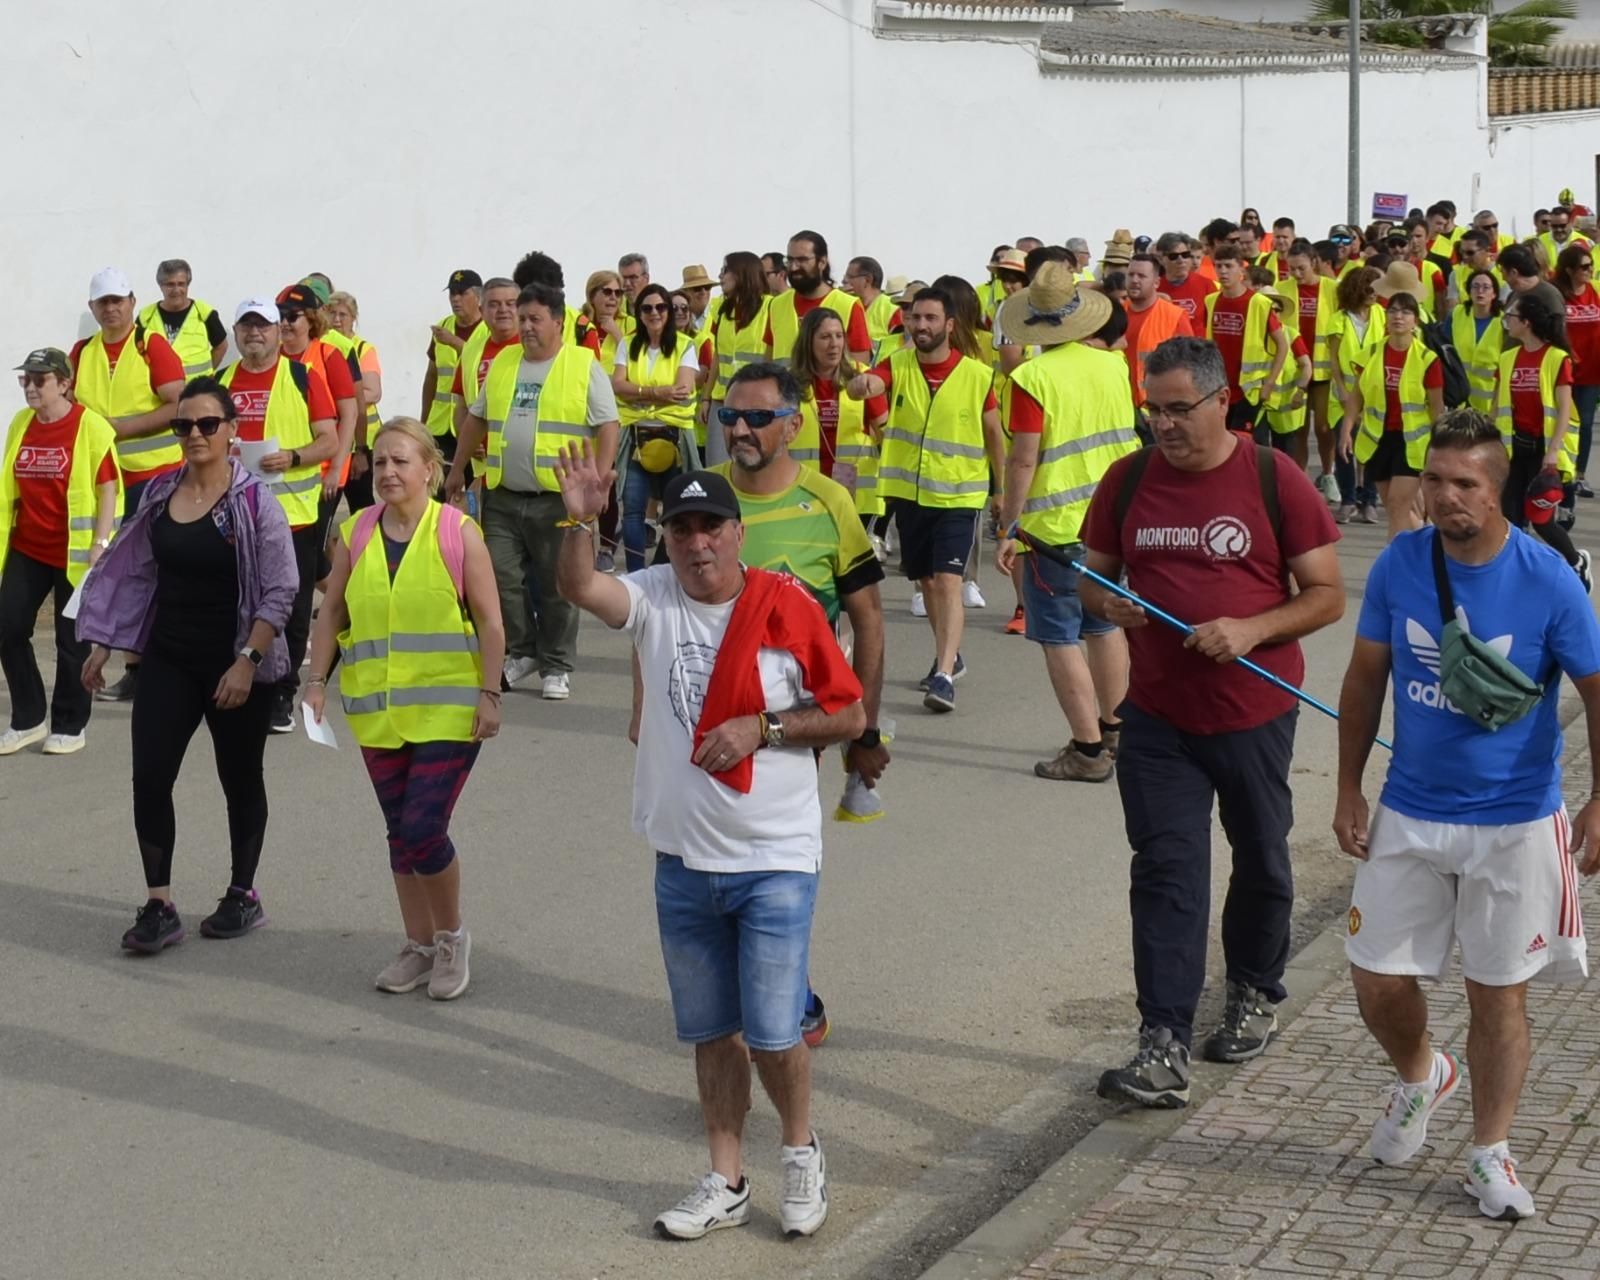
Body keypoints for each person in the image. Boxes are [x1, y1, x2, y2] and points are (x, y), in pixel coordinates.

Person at [555, 457, 863, 1242]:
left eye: (710, 528)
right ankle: (725, 1177)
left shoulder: (785, 605)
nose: (696, 544)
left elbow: (849, 715)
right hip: (683, 859)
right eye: (681, 529)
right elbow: (581, 589)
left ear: (737, 533)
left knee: (771, 1032)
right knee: (710, 1032)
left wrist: (763, 728)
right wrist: (580, 520)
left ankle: (800, 1153)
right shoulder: (653, 596)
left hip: (775, 858)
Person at [1334, 407, 1600, 1222]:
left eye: (1464, 484)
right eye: (1434, 479)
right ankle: (1422, 1076)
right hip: (1411, 810)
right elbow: (1363, 678)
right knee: (1375, 978)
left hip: (1516, 821)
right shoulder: (1400, 563)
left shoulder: (1548, 579)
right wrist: (1348, 786)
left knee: (1499, 995)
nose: (1443, 497)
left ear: (1498, 494)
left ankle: (1490, 1151)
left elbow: (1596, 692)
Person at [1083, 336, 1344, 1108]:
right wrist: (1109, 604)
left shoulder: (1273, 476)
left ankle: (1254, 991)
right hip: (1158, 718)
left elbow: (1326, 593)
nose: (1162, 424)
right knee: (1166, 872)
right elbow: (1089, 582)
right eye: (1151, 410)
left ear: (1220, 400)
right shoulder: (1127, 480)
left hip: (1253, 712)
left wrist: (1251, 630)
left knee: (1261, 856)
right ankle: (1161, 1043)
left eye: (1177, 409)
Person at [77, 376, 298, 953]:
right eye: (183, 425)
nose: (194, 434)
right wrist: (103, 640)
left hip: (232, 662)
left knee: (240, 778)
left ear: (232, 432)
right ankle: (159, 903)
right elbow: (131, 574)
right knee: (150, 777)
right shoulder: (157, 494)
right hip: (168, 659)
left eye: (206, 424)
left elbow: (279, 591)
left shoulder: (255, 505)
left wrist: (248, 661)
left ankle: (242, 894)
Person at [306, 417, 504, 1000]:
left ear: (428, 469)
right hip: (377, 710)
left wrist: (490, 693)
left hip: (449, 710)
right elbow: (332, 611)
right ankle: (417, 945)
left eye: (401, 461)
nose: (388, 471)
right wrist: (316, 681)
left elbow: (492, 622)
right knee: (399, 834)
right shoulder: (358, 532)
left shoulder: (457, 532)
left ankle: (450, 938)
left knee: (423, 827)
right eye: (381, 462)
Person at [995, 263, 1139, 781]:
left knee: (1059, 638)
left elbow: (1023, 460)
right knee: (1103, 627)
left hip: (1054, 529)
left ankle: (1088, 749)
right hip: (1113, 522)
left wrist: (1009, 526)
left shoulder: (1031, 377)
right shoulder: (1113, 366)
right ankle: (1118, 729)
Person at [447, 282, 620, 700]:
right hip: (504, 494)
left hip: (558, 498)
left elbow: (608, 424)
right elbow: (476, 419)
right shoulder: (505, 361)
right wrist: (456, 469)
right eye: (521, 318)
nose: (525, 326)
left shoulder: (582, 364)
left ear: (558, 321)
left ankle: (557, 664)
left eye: (534, 318)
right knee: (501, 578)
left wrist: (599, 477)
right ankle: (523, 652)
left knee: (557, 584)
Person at [848, 285, 1003, 713]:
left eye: (930, 318)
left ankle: (944, 675)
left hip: (959, 494)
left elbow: (994, 435)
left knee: (949, 581)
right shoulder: (896, 364)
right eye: (916, 318)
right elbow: (867, 384)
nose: (921, 325)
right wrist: (859, 382)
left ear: (949, 326)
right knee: (929, 583)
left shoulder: (976, 374)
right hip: (909, 496)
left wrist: (1001, 492)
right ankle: (949, 655)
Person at [215, 297, 340, 732]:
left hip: (294, 515)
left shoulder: (303, 377)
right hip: (233, 513)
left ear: (277, 332)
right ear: (236, 332)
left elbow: (329, 439)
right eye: (246, 326)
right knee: (233, 600)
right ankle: (232, 681)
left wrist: (293, 456)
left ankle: (281, 693)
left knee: (290, 606)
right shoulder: (220, 381)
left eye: (263, 326)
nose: (255, 334)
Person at [0, 348, 119, 756]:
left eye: (40, 380)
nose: (30, 388)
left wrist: (101, 544)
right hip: (27, 547)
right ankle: (28, 719)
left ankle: (70, 724)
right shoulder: (20, 423)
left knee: (72, 642)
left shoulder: (91, 426)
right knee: (8, 628)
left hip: (74, 552)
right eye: (25, 380)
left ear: (64, 384)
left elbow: (108, 488)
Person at [1496, 293, 1591, 589]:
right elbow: (1497, 406)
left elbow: (1564, 408)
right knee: (1511, 517)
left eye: (1510, 317)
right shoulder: (1507, 358)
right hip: (1514, 447)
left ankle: (1576, 560)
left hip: (1544, 451)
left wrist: (1553, 451)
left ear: (1525, 323)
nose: (1506, 322)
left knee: (1541, 519)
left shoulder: (1556, 358)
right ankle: (1519, 574)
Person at [1339, 291, 1445, 542]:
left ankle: (1393, 563)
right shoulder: (1372, 353)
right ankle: (1426, 547)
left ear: (1415, 321)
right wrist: (1346, 430)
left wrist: (1439, 447)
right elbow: (1357, 397)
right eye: (1393, 311)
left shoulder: (1427, 359)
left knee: (1398, 505)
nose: (1399, 316)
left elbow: (1436, 407)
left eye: (1406, 312)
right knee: (1397, 508)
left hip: (1412, 444)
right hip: (1378, 440)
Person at [613, 282, 700, 571]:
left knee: (679, 511)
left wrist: (638, 393)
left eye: (661, 307)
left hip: (675, 439)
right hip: (637, 438)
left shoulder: (685, 345)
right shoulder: (627, 344)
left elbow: (684, 389)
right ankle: (637, 574)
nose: (655, 313)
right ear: (638, 313)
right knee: (633, 512)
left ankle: (665, 568)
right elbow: (617, 385)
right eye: (647, 308)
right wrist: (660, 393)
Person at [792, 307, 886, 515]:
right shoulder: (788, 384)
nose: (834, 344)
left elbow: (885, 434)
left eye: (839, 336)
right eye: (825, 337)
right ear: (808, 341)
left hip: (856, 496)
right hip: (804, 494)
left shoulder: (862, 377)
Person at [1204, 245, 1290, 434]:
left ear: (1241, 270)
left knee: (1244, 443)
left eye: (1228, 266)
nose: (1223, 271)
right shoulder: (1210, 301)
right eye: (1218, 266)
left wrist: (1269, 383)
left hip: (1249, 391)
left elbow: (1283, 345)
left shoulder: (1259, 303)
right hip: (1218, 387)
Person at [1327, 266, 1387, 523]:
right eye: (1369, 289)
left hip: (1372, 395)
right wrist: (1340, 387)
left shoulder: (1382, 316)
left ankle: (1369, 499)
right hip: (1342, 395)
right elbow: (1333, 360)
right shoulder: (1338, 319)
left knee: (1371, 446)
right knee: (1344, 448)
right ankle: (1348, 499)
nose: (1374, 294)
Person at [766, 231, 872, 369]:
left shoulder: (848, 306)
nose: (793, 267)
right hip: (786, 390)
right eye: (790, 260)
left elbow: (860, 367)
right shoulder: (777, 305)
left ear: (822, 262)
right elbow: (768, 363)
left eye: (802, 260)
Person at [705, 253, 772, 467]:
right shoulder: (723, 311)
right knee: (717, 466)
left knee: (754, 463)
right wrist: (706, 397)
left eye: (726, 270)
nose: (720, 276)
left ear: (742, 273)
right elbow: (718, 355)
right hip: (722, 402)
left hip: (756, 404)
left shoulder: (771, 307)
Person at [326, 290, 381, 511]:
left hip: (362, 439)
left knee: (362, 504)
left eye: (343, 315)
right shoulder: (322, 346)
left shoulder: (361, 349)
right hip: (333, 438)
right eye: (332, 314)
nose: (337, 320)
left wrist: (337, 399)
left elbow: (373, 392)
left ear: (354, 318)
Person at [1556, 243, 1600, 499]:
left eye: (1590, 265)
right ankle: (1559, 471)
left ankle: (1579, 475)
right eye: (1584, 267)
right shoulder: (1558, 294)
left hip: (1592, 371)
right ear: (1570, 270)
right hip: (1565, 371)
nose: (1589, 270)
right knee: (1561, 422)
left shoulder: (1595, 292)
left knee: (1583, 424)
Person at [1123, 253, 1194, 410]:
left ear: (1156, 282)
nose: (1134, 280)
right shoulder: (1115, 314)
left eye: (1141, 276)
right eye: (1131, 275)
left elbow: (1188, 366)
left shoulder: (1174, 316)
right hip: (1121, 405)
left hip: (1156, 408)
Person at [422, 270, 484, 451]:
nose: (456, 299)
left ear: (478, 297)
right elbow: (431, 377)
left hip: (472, 423)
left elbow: (483, 366)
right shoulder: (443, 326)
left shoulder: (489, 328)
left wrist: (454, 342)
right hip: (440, 425)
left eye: (463, 293)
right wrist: (423, 421)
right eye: (452, 293)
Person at [139, 259, 228, 381]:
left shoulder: (204, 313)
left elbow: (221, 346)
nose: (176, 290)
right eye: (170, 284)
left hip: (197, 392)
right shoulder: (145, 317)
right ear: (160, 286)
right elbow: (135, 352)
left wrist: (207, 374)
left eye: (181, 284)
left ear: (188, 285)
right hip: (160, 392)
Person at [1452, 268, 1507, 418]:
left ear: (1494, 293)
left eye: (1486, 287)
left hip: (1488, 402)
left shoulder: (1504, 322)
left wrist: (1496, 409)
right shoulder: (1458, 314)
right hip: (1458, 398)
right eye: (1475, 286)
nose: (1480, 291)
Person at [843, 256, 899, 361]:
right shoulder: (847, 306)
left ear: (867, 280)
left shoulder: (893, 310)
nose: (844, 281)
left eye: (850, 277)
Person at [1155, 232, 1217, 323]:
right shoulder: (1155, 288)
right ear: (1161, 259)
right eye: (1174, 256)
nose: (1181, 260)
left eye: (1185, 255)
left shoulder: (1206, 286)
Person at [579, 270, 627, 374]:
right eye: (607, 292)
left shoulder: (631, 324)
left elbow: (636, 361)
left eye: (618, 293)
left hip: (615, 387)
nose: (613, 297)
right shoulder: (578, 322)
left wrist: (617, 334)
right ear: (592, 296)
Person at [679, 265, 718, 338]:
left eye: (707, 287)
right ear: (685, 292)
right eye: (697, 288)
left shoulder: (718, 314)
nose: (703, 292)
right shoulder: (678, 319)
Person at [618, 252, 650, 317]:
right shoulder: (614, 312)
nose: (627, 283)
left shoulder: (662, 309)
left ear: (646, 278)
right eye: (623, 278)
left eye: (633, 277)